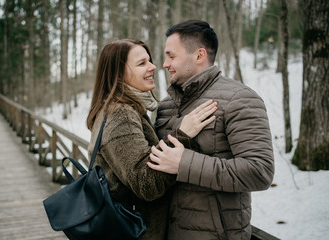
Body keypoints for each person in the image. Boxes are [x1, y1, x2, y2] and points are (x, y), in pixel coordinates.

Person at [148, 20, 275, 240]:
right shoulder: (165, 106)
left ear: (199, 56)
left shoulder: (240, 99)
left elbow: (260, 171)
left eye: (171, 56)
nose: (165, 64)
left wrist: (184, 163)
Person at [86, 39, 217, 240]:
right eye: (142, 63)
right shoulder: (120, 115)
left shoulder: (120, 108)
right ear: (118, 74)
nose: (153, 67)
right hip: (134, 231)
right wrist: (183, 135)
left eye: (150, 61)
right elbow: (145, 184)